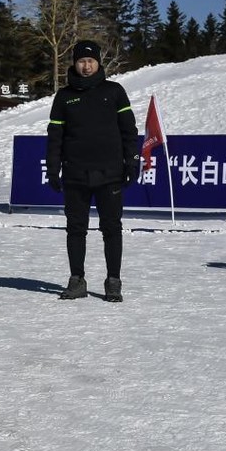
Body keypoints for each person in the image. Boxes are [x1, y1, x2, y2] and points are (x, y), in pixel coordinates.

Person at [46, 40, 140, 302]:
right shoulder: (64, 96)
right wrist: (53, 168)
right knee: (75, 229)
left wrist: (132, 160)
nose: (86, 66)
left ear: (98, 62)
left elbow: (129, 131)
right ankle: (77, 280)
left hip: (110, 173)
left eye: (91, 61)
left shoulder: (115, 91)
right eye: (81, 61)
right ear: (74, 63)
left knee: (111, 228)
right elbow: (55, 136)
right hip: (76, 174)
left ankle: (113, 281)